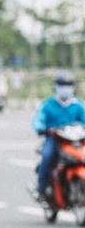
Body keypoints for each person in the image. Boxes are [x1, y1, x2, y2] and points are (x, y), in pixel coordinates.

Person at [31, 70, 85, 203]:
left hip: (74, 140)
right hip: (54, 139)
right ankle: (41, 189)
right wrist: (41, 128)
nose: (65, 88)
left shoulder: (77, 105)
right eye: (62, 84)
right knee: (47, 156)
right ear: (56, 86)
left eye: (68, 84)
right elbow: (39, 120)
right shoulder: (48, 104)